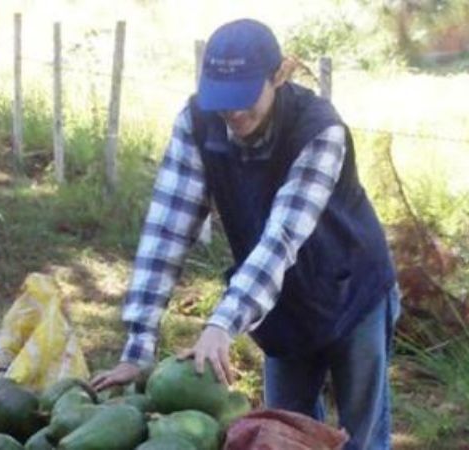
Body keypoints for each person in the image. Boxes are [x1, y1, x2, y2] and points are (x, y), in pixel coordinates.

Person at [91, 19, 399, 450]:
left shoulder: (319, 130)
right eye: (221, 99)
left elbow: (281, 239)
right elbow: (166, 231)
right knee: (282, 432)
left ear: (280, 75)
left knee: (361, 434)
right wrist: (138, 343)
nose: (231, 113)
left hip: (352, 291)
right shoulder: (198, 122)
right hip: (279, 303)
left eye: (243, 99)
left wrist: (221, 325)